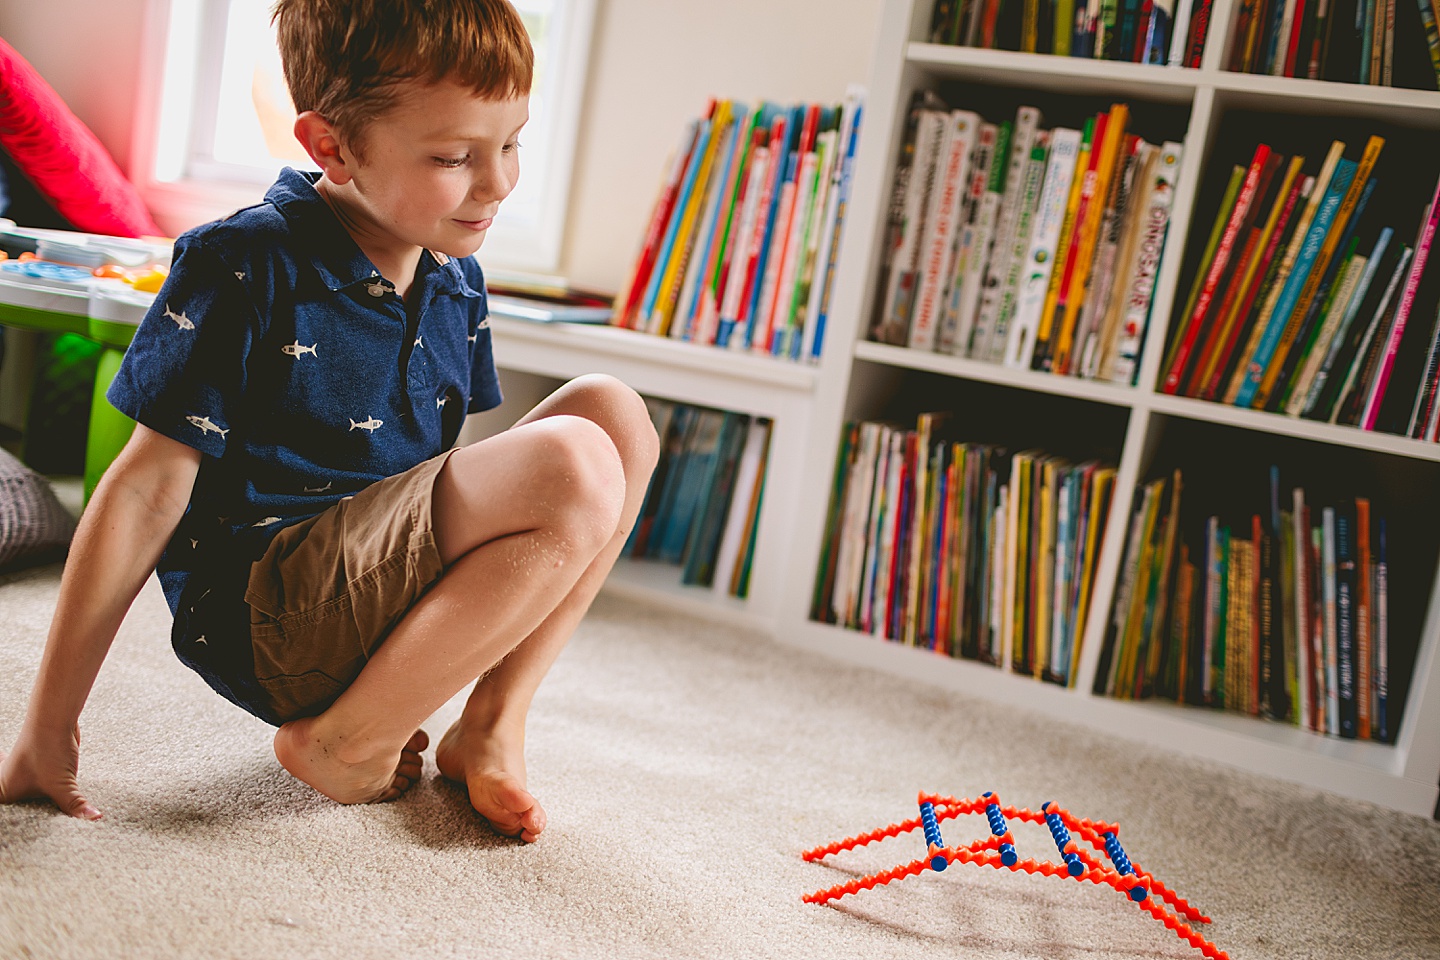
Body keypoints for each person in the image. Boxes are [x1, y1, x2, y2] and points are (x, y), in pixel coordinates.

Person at [0, 0, 658, 844]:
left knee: (616, 416)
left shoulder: (455, 278)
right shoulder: (240, 263)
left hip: (376, 593)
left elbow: (431, 496)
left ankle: (490, 725)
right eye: (456, 156)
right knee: (573, 463)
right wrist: (49, 727)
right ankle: (347, 744)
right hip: (266, 612)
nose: (498, 183)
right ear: (331, 146)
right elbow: (142, 491)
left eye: (512, 144)